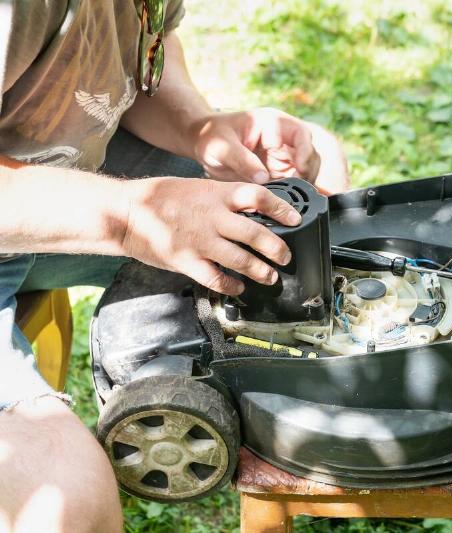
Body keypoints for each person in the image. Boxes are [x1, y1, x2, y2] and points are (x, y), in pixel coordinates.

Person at [0, 1, 349, 531]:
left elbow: (140, 54)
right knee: (67, 505)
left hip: (44, 185)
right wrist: (130, 218)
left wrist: (199, 127)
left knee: (305, 186)